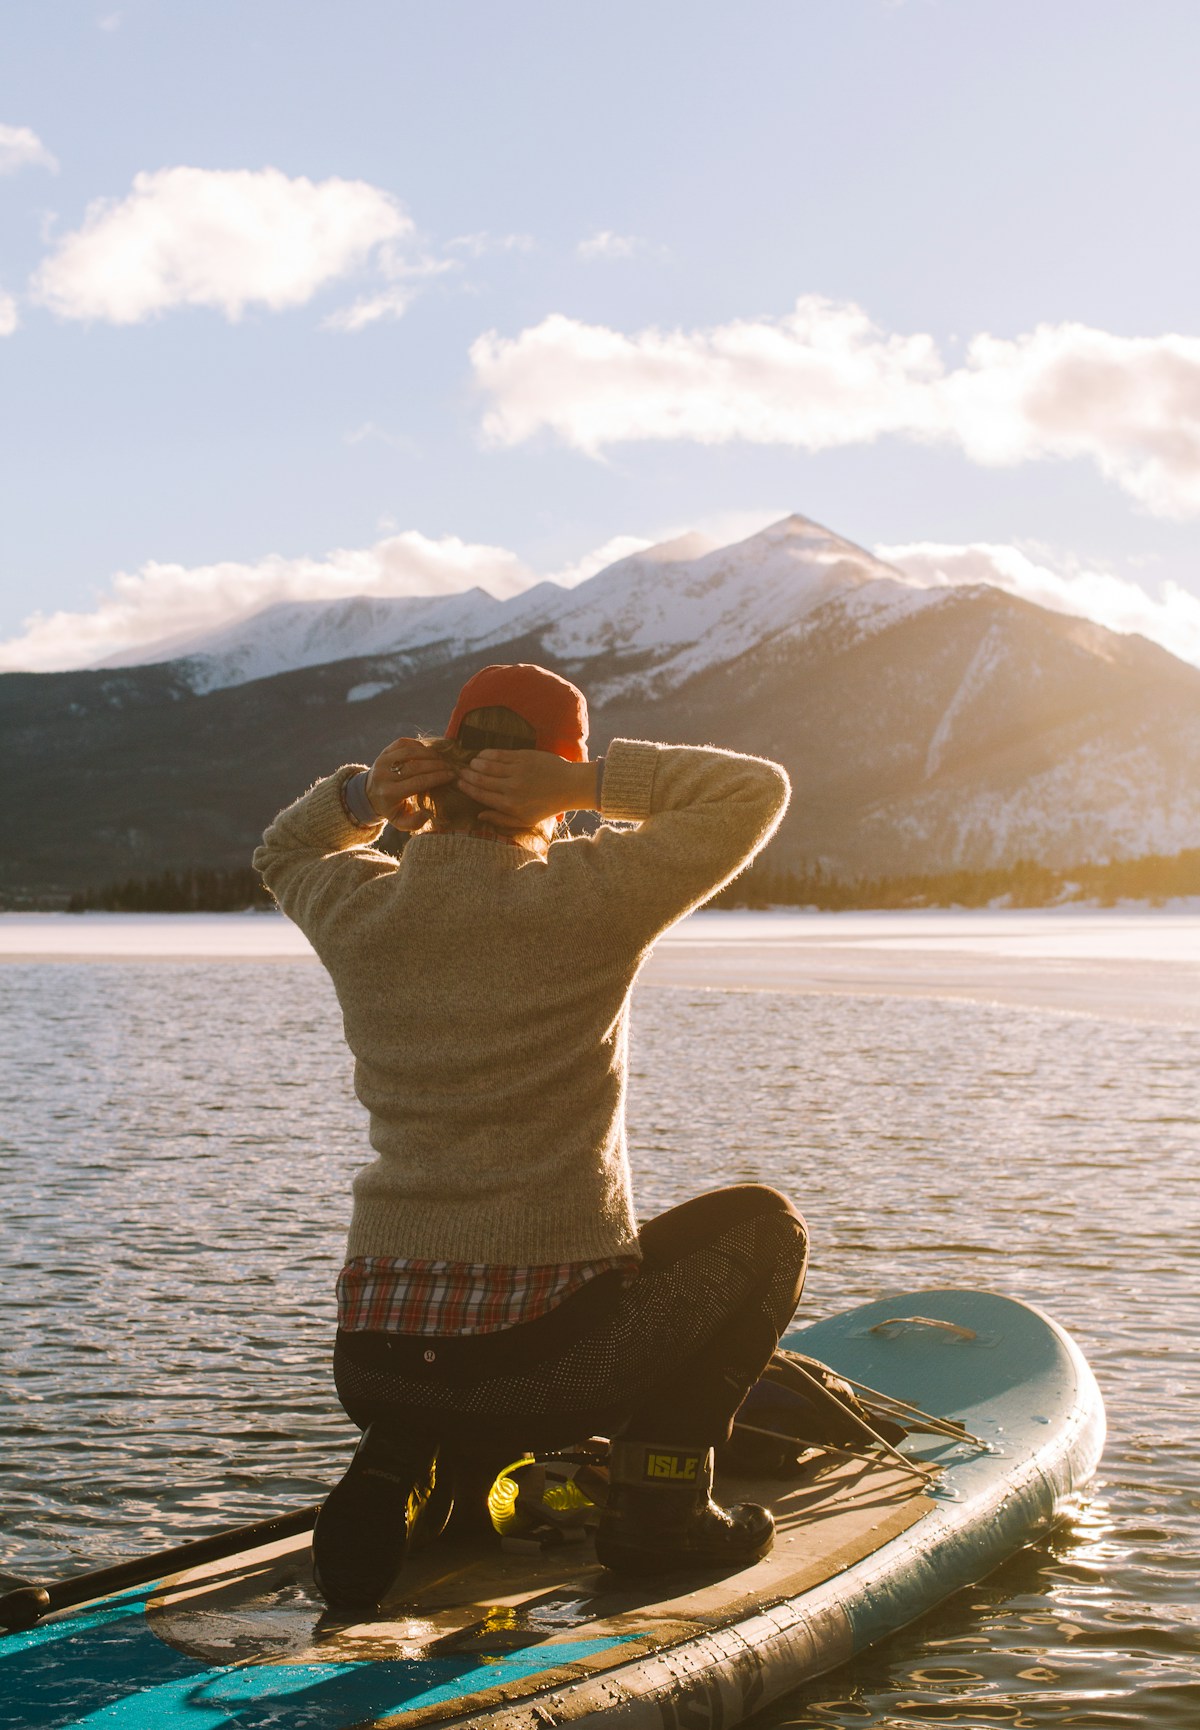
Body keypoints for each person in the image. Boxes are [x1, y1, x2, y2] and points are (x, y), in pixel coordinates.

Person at [253, 662, 808, 1610]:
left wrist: (362, 794)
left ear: (444, 766)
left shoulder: (361, 907)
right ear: (552, 775)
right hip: (543, 1368)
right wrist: (593, 790)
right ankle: (660, 1512)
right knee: (764, 1230)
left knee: (464, 1347)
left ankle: (404, 1462)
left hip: (375, 1357)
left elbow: (282, 853)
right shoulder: (590, 892)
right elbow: (754, 789)